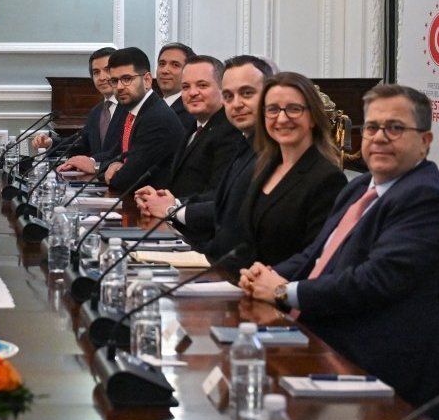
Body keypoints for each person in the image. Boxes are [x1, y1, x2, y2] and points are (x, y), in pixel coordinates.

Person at [239, 84, 439, 419]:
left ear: (425, 141)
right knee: (238, 370)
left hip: (383, 365)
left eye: (395, 128)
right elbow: (317, 255)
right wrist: (268, 274)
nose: (379, 138)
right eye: (372, 127)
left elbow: (373, 281)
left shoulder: (427, 199)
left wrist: (282, 291)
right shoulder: (361, 187)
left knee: (255, 390)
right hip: (331, 336)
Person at [137, 55, 273, 263]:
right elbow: (224, 198)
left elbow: (227, 204)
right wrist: (164, 201)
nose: (236, 104)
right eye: (186, 87)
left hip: (231, 257)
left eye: (247, 93)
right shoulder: (197, 126)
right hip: (210, 249)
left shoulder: (238, 137)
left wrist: (172, 208)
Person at [238, 72, 346, 266]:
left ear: (313, 117)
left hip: (287, 282)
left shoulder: (328, 179)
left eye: (294, 109)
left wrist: (269, 277)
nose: (281, 118)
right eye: (272, 109)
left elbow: (316, 255)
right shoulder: (263, 167)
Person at [56, 47, 184, 194]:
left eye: (127, 79)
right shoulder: (134, 112)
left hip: (151, 203)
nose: (120, 87)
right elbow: (119, 155)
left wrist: (100, 168)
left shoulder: (156, 118)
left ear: (147, 80)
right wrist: (107, 164)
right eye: (115, 81)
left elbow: (126, 179)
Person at [165, 55, 247, 199]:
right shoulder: (193, 126)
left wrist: (173, 205)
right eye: (186, 87)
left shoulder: (229, 131)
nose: (192, 93)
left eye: (202, 85)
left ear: (223, 89)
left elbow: (218, 194)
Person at [32, 46, 122, 160]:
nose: (102, 77)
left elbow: (124, 151)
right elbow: (80, 143)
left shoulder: (131, 108)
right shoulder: (96, 112)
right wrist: (50, 142)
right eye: (96, 72)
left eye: (107, 70)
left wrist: (91, 161)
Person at [156, 42, 195, 131]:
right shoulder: (151, 108)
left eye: (175, 65)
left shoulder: (191, 112)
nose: (165, 70)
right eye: (162, 64)